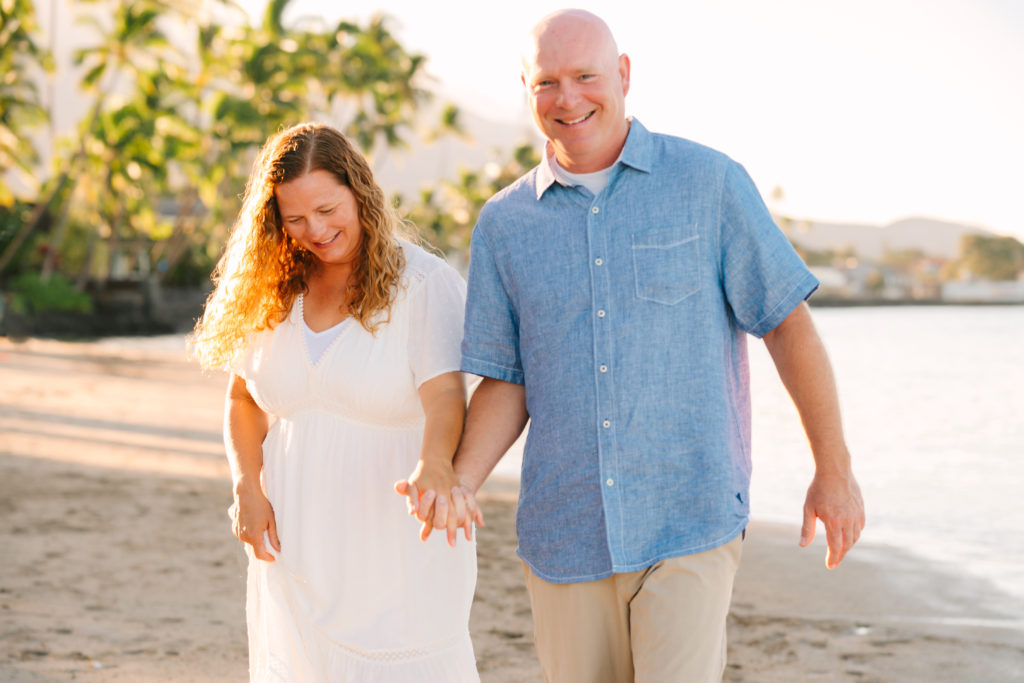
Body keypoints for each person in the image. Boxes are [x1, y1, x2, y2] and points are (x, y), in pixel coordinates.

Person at [402, 9, 865, 682]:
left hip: (690, 516)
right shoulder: (505, 223)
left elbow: (786, 324)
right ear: (527, 88)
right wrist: (456, 481)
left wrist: (834, 467)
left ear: (622, 75)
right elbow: (508, 379)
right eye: (547, 82)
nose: (568, 99)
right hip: (565, 531)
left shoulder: (709, 183)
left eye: (585, 76)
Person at [190, 122, 480, 681]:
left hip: (396, 546)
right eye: (294, 219)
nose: (315, 231)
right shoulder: (273, 290)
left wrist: (437, 463)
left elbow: (446, 393)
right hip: (295, 547)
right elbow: (244, 399)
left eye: (327, 209)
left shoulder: (422, 284)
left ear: (359, 192)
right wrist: (247, 486)